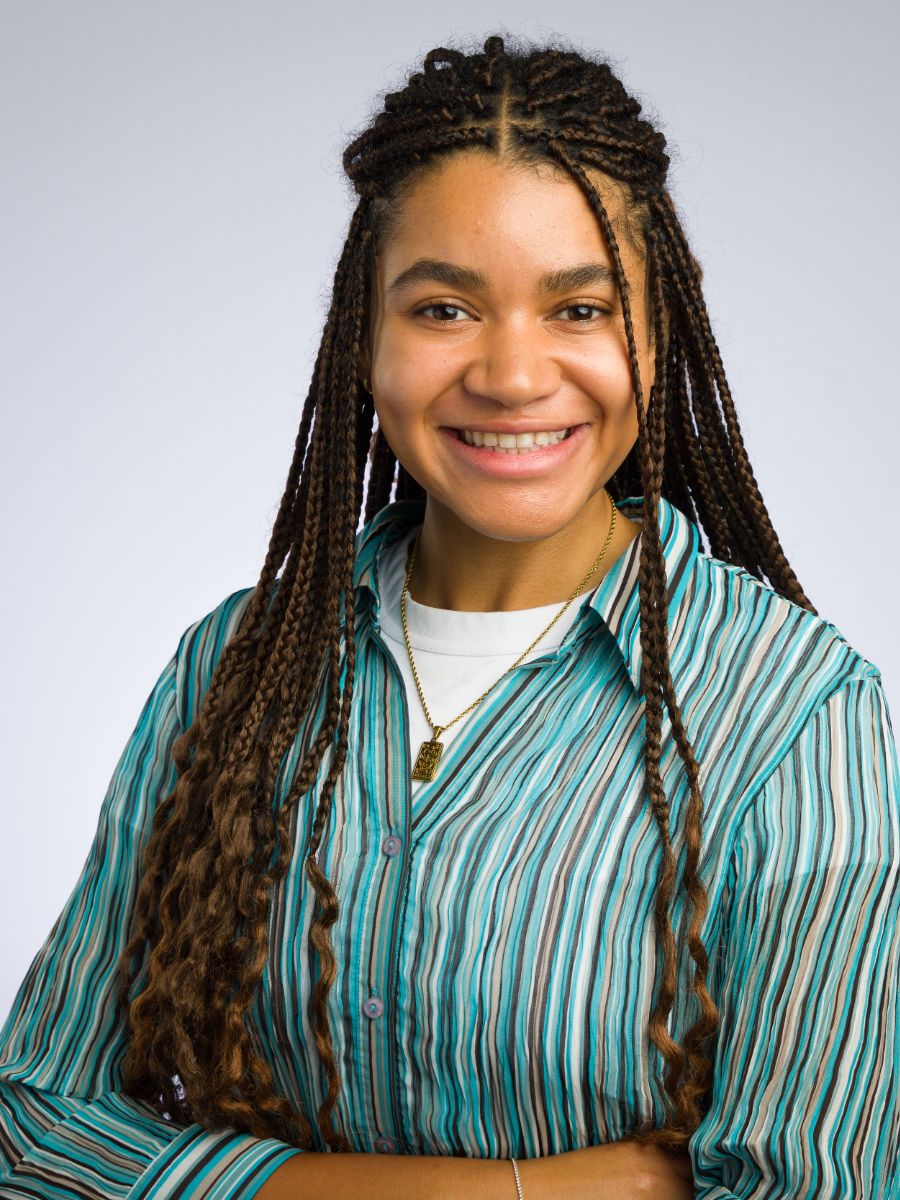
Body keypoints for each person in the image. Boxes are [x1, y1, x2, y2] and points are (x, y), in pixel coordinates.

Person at [0, 33, 897, 1200]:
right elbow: (32, 1126)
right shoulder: (234, 668)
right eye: (443, 308)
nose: (515, 376)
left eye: (580, 308)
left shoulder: (795, 719)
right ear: (363, 339)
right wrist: (546, 1190)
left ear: (657, 335)